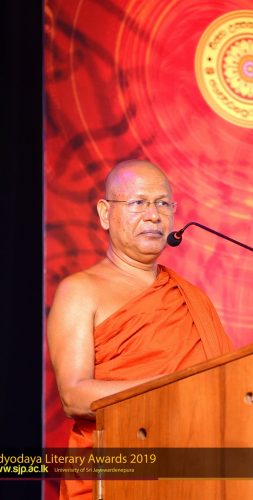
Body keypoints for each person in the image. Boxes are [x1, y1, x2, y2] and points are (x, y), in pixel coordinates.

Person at [47, 159, 233, 499]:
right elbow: (74, 396)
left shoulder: (190, 297)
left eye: (163, 204)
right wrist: (174, 389)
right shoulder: (80, 291)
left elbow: (229, 383)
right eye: (138, 202)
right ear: (105, 213)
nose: (153, 215)